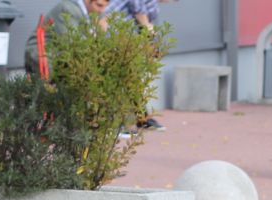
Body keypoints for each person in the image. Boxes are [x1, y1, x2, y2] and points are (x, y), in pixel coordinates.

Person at [106, 0, 166, 130]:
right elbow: (140, 14)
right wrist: (149, 32)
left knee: (132, 78)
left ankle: (141, 118)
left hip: (124, 38)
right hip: (113, 35)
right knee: (124, 78)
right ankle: (119, 123)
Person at [24, 0, 109, 76]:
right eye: (99, 5)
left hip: (59, 54)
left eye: (105, 6)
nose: (102, 10)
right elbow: (71, 45)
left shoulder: (93, 13)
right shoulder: (68, 9)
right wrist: (98, 32)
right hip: (42, 53)